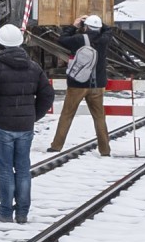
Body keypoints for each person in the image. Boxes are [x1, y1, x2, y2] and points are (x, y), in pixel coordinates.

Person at [0, 24, 54, 223]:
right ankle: (22, 213)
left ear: (0, 43)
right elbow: (47, 94)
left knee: (4, 171)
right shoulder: (33, 67)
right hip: (25, 126)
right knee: (23, 170)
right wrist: (33, 116)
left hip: (1, 125)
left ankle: (5, 212)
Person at [47, 14, 113, 155]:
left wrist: (74, 25)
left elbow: (62, 39)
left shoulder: (78, 39)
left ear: (86, 26)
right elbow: (108, 30)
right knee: (99, 117)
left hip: (77, 85)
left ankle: (56, 146)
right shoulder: (104, 39)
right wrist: (100, 24)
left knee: (67, 115)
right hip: (97, 85)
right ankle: (105, 150)